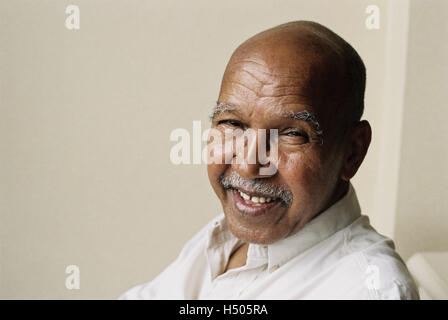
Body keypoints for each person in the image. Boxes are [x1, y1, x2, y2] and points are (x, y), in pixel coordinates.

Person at [120, 21, 419, 299]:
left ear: (352, 152)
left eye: (291, 134)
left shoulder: (366, 289)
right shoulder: (224, 236)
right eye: (232, 124)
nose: (248, 165)